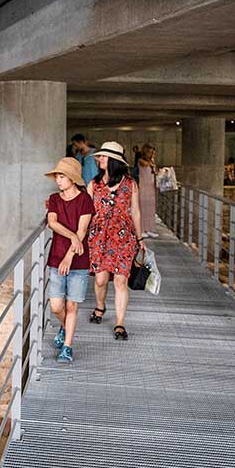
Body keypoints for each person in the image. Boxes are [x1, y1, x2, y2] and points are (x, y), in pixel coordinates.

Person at [86, 141, 144, 341]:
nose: (98, 159)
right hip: (99, 237)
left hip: (123, 237)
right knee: (101, 279)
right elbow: (84, 209)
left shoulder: (130, 184)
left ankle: (120, 322)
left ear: (113, 161)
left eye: (102, 156)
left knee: (121, 280)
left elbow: (135, 212)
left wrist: (140, 237)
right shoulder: (93, 184)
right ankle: (100, 306)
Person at [45, 157, 95, 364]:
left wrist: (70, 253)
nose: (58, 180)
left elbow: (82, 230)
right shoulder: (54, 199)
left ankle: (67, 346)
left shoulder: (85, 200)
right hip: (57, 257)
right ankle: (65, 327)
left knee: (72, 305)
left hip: (78, 260)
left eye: (62, 176)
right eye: (57, 176)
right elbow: (52, 223)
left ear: (73, 179)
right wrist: (72, 237)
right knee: (56, 306)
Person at [137, 143, 159, 238]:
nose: (152, 154)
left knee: (150, 208)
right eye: (150, 152)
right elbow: (147, 165)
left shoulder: (151, 161)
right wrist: (152, 161)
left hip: (150, 187)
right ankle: (142, 229)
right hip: (143, 187)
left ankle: (150, 228)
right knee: (143, 208)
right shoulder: (141, 160)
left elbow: (155, 171)